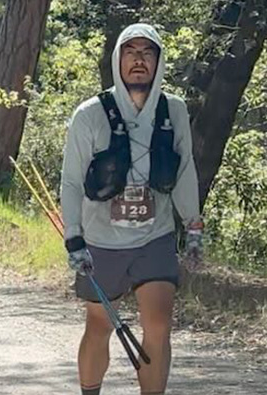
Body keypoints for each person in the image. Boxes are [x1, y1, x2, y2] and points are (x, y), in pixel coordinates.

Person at [60, 23, 204, 395]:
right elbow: (72, 181)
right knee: (99, 326)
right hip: (101, 238)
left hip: (154, 236)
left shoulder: (173, 111)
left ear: (159, 61)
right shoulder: (89, 114)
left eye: (147, 52)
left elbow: (184, 166)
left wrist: (193, 225)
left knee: (158, 324)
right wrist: (74, 238)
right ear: (117, 59)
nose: (138, 60)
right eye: (130, 52)